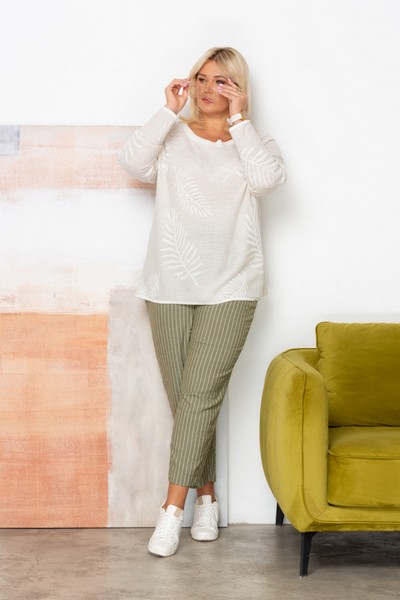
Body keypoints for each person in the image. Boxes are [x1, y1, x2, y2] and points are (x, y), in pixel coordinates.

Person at [119, 46, 286, 557]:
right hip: (169, 285)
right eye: (202, 78)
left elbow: (267, 182)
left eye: (222, 81)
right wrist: (167, 110)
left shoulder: (254, 142)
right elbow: (132, 163)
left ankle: (171, 512)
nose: (209, 88)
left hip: (232, 286)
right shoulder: (172, 136)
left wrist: (240, 122)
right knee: (189, 399)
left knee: (198, 396)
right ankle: (208, 498)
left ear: (239, 89)